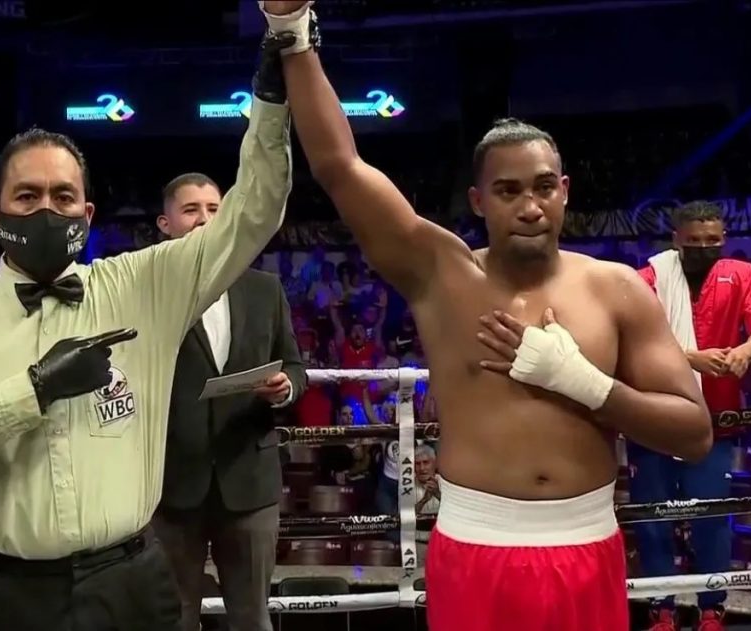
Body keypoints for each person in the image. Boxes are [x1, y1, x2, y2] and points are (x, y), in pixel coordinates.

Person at [258, 3, 713, 629]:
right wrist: (291, 33)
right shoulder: (440, 276)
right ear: (478, 200)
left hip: (586, 548)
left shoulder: (617, 291)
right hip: (477, 549)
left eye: (544, 186)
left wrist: (582, 382)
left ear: (565, 190)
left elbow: (694, 432)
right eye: (509, 190)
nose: (530, 205)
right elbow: (341, 168)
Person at [0, 40, 293, 631]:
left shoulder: (144, 284)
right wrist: (30, 392)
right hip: (9, 591)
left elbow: (254, 213)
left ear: (86, 215)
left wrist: (271, 100)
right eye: (28, 195)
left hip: (134, 578)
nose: (47, 209)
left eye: (63, 197)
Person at [151, 172, 306, 631]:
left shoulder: (264, 289)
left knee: (252, 619)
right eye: (191, 209)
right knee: (172, 618)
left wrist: (285, 387)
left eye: (214, 209)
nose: (205, 219)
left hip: (249, 482)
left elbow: (296, 367)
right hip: (172, 485)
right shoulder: (147, 291)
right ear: (166, 222)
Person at [632, 200, 751, 631]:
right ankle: (660, 608)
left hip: (717, 415)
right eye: (693, 242)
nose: (703, 248)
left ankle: (712, 608)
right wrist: (689, 358)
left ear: (724, 239)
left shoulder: (741, 274)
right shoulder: (649, 277)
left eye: (712, 241)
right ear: (676, 239)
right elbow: (627, 340)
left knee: (713, 515)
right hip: (654, 412)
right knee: (652, 515)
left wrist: (744, 353)